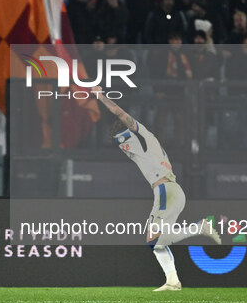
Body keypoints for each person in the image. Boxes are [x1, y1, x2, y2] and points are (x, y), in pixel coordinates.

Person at [91, 86, 221, 291]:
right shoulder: (142, 144)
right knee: (156, 242)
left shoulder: (141, 134)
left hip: (165, 191)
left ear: (128, 132)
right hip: (171, 191)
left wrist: (99, 96)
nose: (122, 147)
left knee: (153, 239)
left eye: (121, 140)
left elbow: (119, 112)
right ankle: (173, 281)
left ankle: (199, 228)